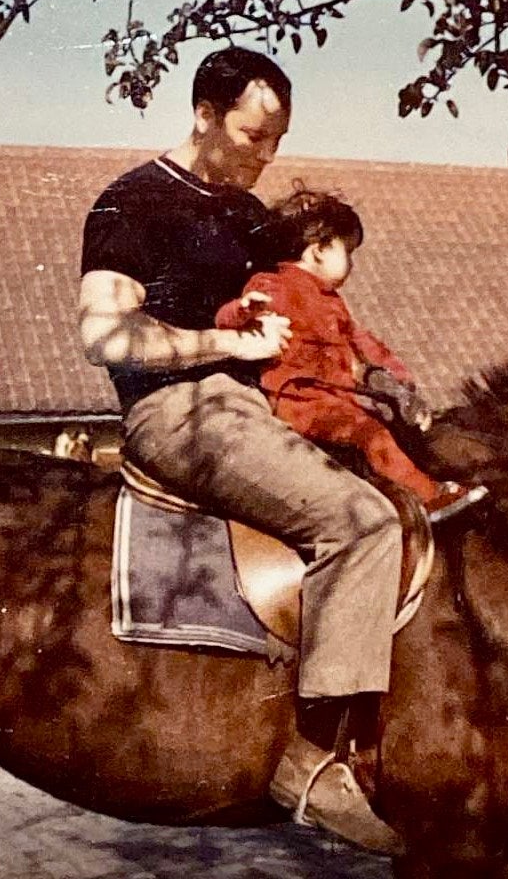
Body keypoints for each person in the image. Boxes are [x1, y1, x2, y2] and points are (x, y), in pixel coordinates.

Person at [76, 47, 402, 852]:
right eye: (254, 135)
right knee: (361, 523)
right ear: (204, 115)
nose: (266, 155)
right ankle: (310, 758)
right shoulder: (133, 203)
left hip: (265, 404)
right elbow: (102, 336)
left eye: (277, 140)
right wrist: (225, 350)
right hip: (178, 411)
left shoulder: (252, 218)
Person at [215, 188, 488, 524]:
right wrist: (242, 311)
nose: (352, 265)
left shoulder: (331, 300)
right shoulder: (274, 285)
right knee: (368, 433)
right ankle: (426, 497)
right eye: (348, 253)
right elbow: (228, 319)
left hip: (336, 398)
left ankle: (410, 487)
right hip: (301, 400)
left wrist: (395, 374)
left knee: (393, 424)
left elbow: (361, 339)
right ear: (318, 251)